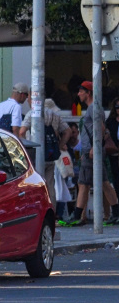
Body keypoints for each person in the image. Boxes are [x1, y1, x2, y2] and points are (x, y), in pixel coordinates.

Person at [66, 81, 119, 225]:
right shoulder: (95, 108)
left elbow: (101, 128)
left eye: (81, 91)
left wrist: (94, 148)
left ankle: (76, 216)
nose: (78, 94)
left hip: (92, 153)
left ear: (88, 93)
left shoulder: (93, 109)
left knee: (83, 183)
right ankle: (116, 212)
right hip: (93, 151)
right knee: (104, 183)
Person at [19, 98, 69, 209]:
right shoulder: (54, 114)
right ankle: (52, 211)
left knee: (35, 185)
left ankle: (38, 211)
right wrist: (59, 146)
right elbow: (67, 131)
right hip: (50, 155)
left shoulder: (31, 114)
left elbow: (22, 131)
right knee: (50, 185)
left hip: (34, 156)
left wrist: (26, 149)